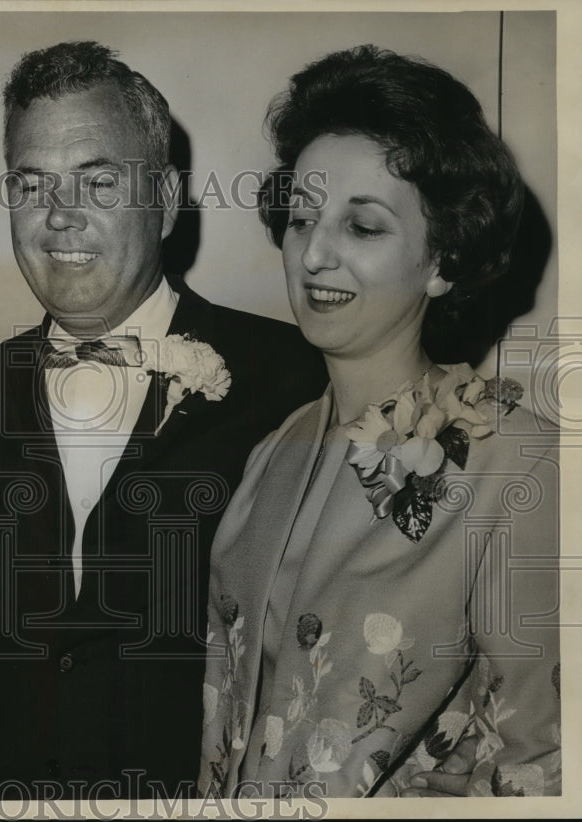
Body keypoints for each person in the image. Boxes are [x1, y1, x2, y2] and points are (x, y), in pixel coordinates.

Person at [0, 41, 327, 796]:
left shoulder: (295, 379)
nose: (59, 218)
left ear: (162, 201)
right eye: (32, 185)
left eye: (95, 181)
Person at [199, 45, 560, 798]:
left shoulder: (516, 461)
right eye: (302, 219)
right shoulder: (277, 451)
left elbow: (543, 761)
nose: (315, 254)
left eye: (363, 228)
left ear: (442, 260)